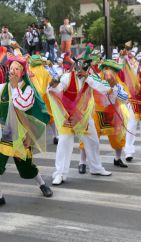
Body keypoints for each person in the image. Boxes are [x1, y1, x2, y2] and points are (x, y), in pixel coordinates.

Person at [0, 55, 53, 209]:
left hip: (21, 135)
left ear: (22, 72)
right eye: (11, 69)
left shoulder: (28, 90)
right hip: (2, 133)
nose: (12, 71)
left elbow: (23, 105)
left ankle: (42, 184)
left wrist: (15, 87)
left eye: (16, 69)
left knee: (27, 167)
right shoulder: (2, 88)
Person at [49, 54, 112, 185]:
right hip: (68, 117)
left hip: (83, 116)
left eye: (83, 69)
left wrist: (88, 78)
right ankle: (60, 173)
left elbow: (105, 88)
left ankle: (96, 168)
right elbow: (56, 89)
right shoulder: (67, 77)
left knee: (93, 141)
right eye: (78, 68)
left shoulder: (91, 78)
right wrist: (54, 84)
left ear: (88, 68)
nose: (79, 72)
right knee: (64, 143)